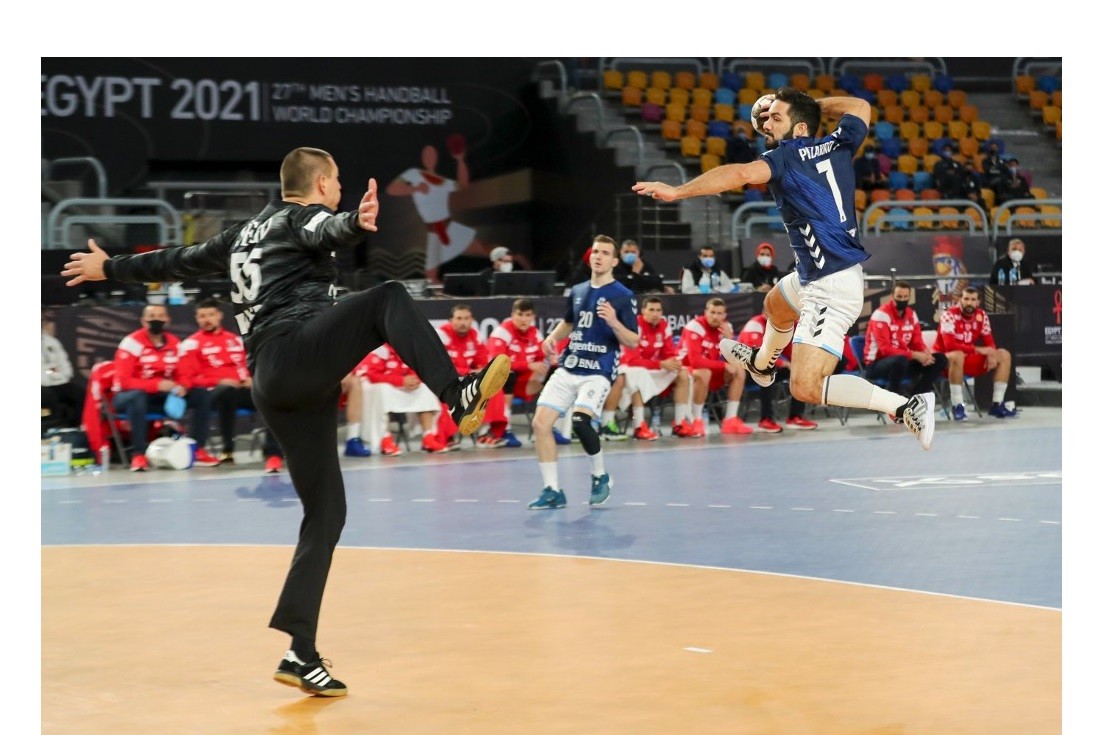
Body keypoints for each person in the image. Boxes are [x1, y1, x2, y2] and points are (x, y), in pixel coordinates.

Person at [61, 146, 511, 697]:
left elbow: (176, 259)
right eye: (338, 181)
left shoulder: (240, 234)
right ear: (319, 183)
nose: (341, 188)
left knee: (326, 514)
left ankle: (299, 651)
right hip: (294, 354)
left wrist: (108, 266)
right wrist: (354, 224)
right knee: (389, 296)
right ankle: (459, 395)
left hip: (277, 384)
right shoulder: (302, 216)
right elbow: (327, 229)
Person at [633, 87, 936, 450]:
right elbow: (860, 106)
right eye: (767, 117)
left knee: (806, 386)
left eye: (776, 117)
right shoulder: (839, 143)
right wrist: (809, 107)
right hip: (819, 275)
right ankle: (762, 365)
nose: (767, 122)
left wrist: (677, 192)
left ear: (801, 129)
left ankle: (905, 406)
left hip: (830, 287)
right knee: (775, 304)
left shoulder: (785, 157)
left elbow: (740, 173)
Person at [526, 234, 639, 510]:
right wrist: (551, 338)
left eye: (604, 253)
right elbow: (568, 323)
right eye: (595, 252)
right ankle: (552, 490)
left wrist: (613, 322)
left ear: (614, 261)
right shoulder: (577, 291)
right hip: (570, 365)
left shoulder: (623, 296)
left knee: (580, 421)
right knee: (540, 424)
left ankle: (600, 476)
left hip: (598, 369)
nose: (598, 256)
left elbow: (633, 340)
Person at [176, 297, 283, 469]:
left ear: (219, 315)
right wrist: (219, 381)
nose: (206, 319)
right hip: (212, 394)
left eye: (210, 314)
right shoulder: (190, 344)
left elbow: (253, 366)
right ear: (196, 319)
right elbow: (187, 380)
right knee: (227, 392)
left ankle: (273, 453)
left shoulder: (236, 340)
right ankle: (227, 449)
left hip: (241, 389)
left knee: (270, 395)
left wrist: (252, 379)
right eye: (202, 316)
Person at [110, 304, 219, 471]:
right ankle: (138, 455)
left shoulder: (174, 342)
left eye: (161, 316)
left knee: (201, 395)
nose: (157, 319)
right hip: (127, 397)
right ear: (143, 321)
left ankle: (197, 450)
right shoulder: (131, 343)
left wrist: (183, 386)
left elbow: (185, 373)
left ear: (167, 320)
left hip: (162, 396)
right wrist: (157, 384)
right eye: (152, 316)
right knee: (137, 396)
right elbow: (124, 382)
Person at [385, 141, 494, 283]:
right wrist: (415, 189)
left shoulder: (442, 182)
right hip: (434, 232)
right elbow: (392, 189)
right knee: (431, 275)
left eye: (432, 155)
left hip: (448, 228)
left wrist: (460, 160)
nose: (429, 157)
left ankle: (516, 261)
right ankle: (445, 299)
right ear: (423, 158)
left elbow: (463, 185)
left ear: (436, 158)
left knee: (486, 251)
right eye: (427, 154)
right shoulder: (414, 174)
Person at [600, 295, 693, 440]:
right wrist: (661, 364)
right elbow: (633, 360)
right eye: (651, 310)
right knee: (638, 374)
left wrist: (674, 362)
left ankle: (680, 423)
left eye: (658, 310)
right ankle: (639, 425)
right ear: (643, 310)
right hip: (626, 367)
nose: (655, 314)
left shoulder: (664, 325)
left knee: (682, 373)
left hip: (651, 368)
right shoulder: (634, 325)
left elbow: (669, 352)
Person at [933, 286, 1018, 420]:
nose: (969, 303)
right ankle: (957, 406)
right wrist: (978, 349)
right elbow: (949, 346)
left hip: (966, 359)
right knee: (957, 355)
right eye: (966, 299)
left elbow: (989, 342)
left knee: (1003, 355)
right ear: (960, 299)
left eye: (973, 300)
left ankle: (997, 404)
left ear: (978, 302)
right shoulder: (949, 315)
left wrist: (991, 354)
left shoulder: (981, 315)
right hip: (945, 362)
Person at [354, 344, 455, 454]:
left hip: (399, 385)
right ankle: (384, 439)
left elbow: (417, 369)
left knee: (426, 389)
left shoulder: (410, 348)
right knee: (383, 390)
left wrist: (414, 379)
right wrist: (400, 381)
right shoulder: (380, 349)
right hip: (374, 385)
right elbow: (372, 375)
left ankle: (428, 437)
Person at [480, 298, 549, 447]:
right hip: (498, 385)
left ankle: (549, 428)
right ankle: (504, 429)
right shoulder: (502, 332)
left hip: (524, 383)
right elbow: (496, 364)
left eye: (527, 315)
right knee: (507, 375)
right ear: (512, 314)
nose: (523, 319)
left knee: (555, 376)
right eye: (519, 314)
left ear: (533, 317)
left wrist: (548, 364)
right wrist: (528, 364)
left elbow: (542, 360)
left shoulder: (535, 333)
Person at [437, 303, 507, 449]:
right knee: (447, 396)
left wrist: (480, 372)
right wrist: (470, 372)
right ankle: (447, 437)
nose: (463, 322)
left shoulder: (475, 335)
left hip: (466, 380)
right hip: (444, 381)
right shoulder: (441, 335)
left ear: (471, 319)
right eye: (459, 318)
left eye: (466, 318)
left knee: (493, 389)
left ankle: (484, 434)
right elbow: (441, 367)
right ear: (451, 320)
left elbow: (481, 362)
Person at [862, 281, 948, 398]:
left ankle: (915, 398)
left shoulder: (912, 314)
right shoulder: (881, 314)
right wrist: (914, 355)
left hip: (903, 362)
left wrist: (925, 354)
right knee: (899, 361)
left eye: (905, 297)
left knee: (940, 359)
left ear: (909, 296)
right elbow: (885, 350)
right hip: (876, 365)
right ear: (892, 296)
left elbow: (917, 341)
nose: (902, 300)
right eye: (899, 297)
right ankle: (893, 404)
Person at [680, 297, 752, 437]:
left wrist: (729, 340)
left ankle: (730, 420)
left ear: (724, 315)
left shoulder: (726, 328)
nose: (715, 316)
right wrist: (724, 365)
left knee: (739, 371)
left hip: (710, 370)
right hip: (686, 371)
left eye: (719, 313)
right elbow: (695, 362)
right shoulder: (694, 326)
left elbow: (735, 359)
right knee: (704, 372)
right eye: (712, 312)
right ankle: (697, 420)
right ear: (705, 312)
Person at [737, 313, 817, 433]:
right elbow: (756, 354)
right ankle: (765, 420)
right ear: (766, 313)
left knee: (798, 372)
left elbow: (791, 350)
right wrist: (782, 363)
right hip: (745, 371)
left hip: (768, 366)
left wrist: (799, 364)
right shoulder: (755, 324)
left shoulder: (784, 325)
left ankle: (795, 417)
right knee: (765, 373)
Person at [41, 312, 86, 428]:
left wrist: (58, 374)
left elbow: (65, 365)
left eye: (42, 320)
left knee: (80, 394)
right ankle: (55, 430)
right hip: (42, 385)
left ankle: (75, 428)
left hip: (58, 381)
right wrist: (50, 372)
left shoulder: (52, 342)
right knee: (49, 397)